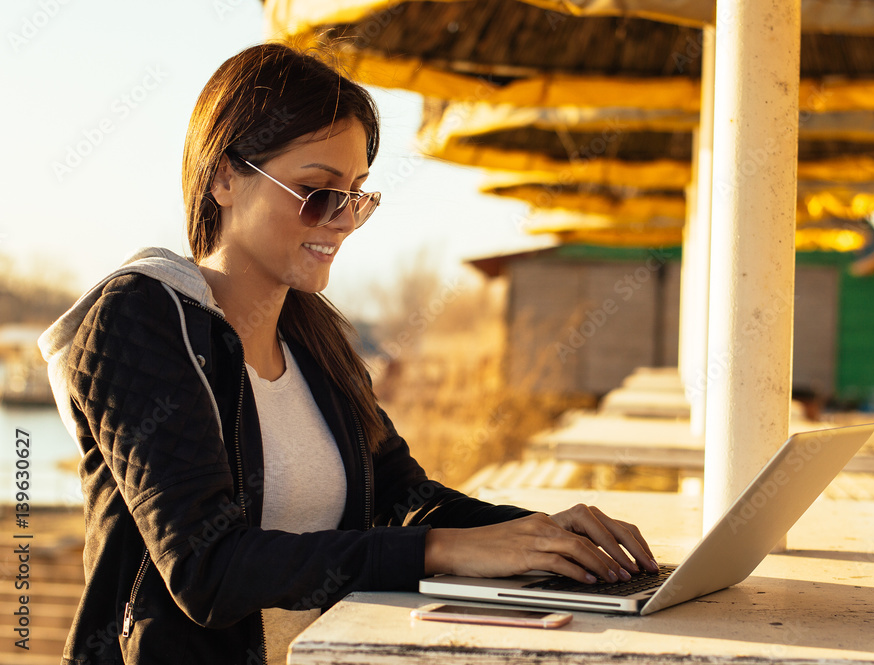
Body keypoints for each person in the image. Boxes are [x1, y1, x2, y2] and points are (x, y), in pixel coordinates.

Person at [39, 42, 657, 665]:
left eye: (358, 194)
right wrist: (439, 551)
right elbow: (207, 569)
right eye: (316, 190)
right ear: (225, 177)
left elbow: (403, 495)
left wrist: (545, 535)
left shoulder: (316, 336)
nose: (341, 220)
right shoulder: (140, 319)